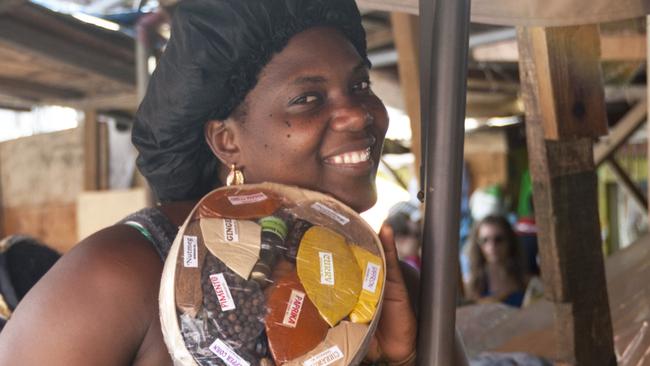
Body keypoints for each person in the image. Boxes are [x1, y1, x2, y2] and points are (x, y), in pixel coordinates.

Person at [0, 1, 417, 365]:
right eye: (308, 98)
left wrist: (401, 361)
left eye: (360, 85)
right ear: (226, 141)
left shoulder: (387, 290)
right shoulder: (120, 278)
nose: (359, 114)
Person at [465, 215, 528, 307]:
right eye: (485, 240)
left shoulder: (525, 280)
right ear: (477, 244)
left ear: (510, 241)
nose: (492, 246)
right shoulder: (473, 284)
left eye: (498, 239)